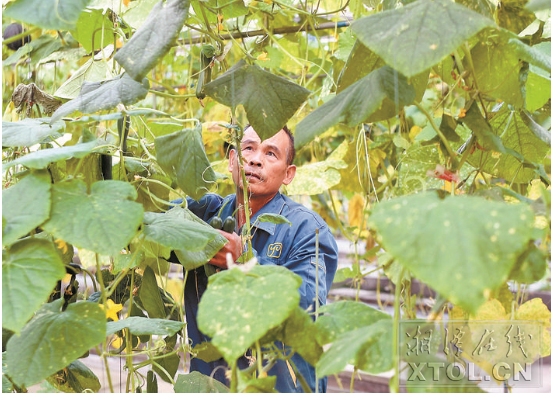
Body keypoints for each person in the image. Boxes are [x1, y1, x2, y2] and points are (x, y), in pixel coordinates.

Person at [170, 125, 338, 392]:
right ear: (233, 160)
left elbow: (307, 307)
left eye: (271, 153)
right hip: (210, 384)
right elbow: (148, 223)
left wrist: (246, 260)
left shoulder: (307, 228)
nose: (256, 159)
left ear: (288, 174)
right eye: (248, 148)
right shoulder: (206, 211)